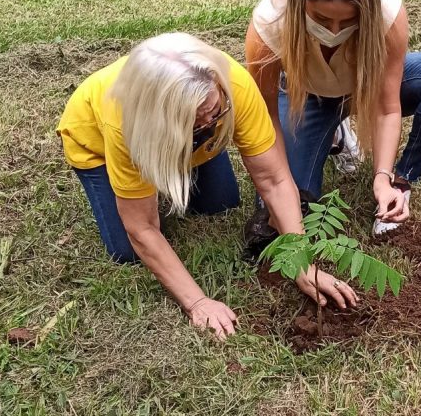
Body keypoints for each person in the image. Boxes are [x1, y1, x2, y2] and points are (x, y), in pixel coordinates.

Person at [57, 33, 358, 339]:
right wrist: (197, 302)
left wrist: (302, 263)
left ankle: (183, 153)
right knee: (127, 251)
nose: (209, 123)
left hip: (183, 141)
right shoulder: (124, 123)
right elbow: (142, 227)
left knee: (221, 203)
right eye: (194, 119)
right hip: (97, 147)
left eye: (214, 112)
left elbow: (274, 179)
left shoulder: (234, 85)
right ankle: (154, 168)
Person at [243, 0, 421, 245]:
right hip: (304, 98)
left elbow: (386, 107)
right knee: (295, 207)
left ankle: (401, 184)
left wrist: (383, 178)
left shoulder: (387, 11)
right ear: (301, 2)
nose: (334, 32)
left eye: (348, 20)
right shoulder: (271, 20)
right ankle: (334, 133)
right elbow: (264, 117)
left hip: (365, 89)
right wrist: (278, 189)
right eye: (322, 19)